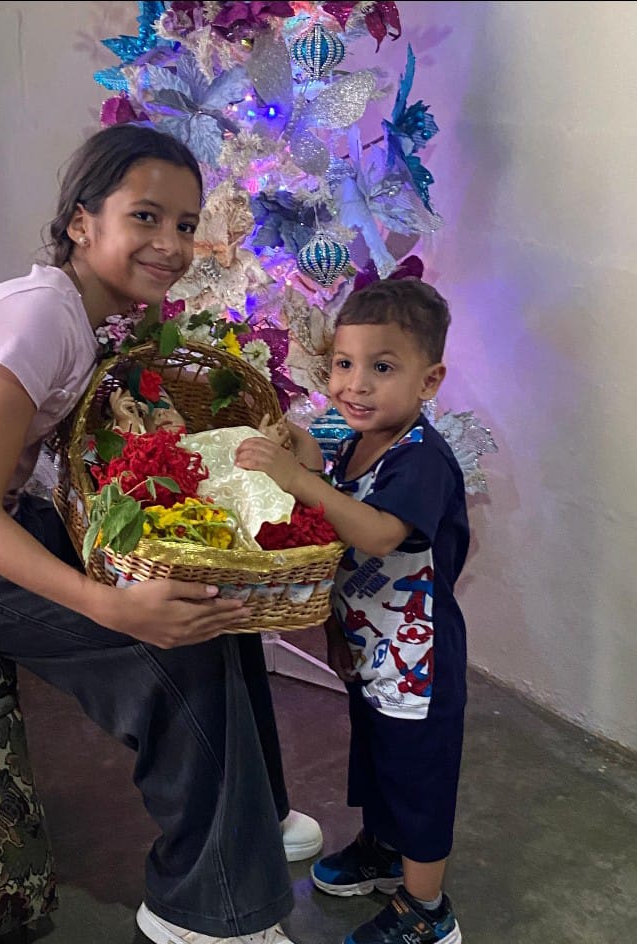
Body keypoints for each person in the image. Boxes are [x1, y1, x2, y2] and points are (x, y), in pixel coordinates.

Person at [0, 123, 322, 944]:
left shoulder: (82, 316)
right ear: (81, 221)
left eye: (185, 223)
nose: (170, 243)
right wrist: (108, 605)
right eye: (145, 216)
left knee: (207, 591)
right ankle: (201, 911)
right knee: (171, 640)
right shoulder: (39, 317)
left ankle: (251, 823)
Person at [236, 278, 469, 944]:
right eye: (343, 364)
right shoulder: (355, 446)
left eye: (382, 368)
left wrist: (296, 478)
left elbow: (378, 533)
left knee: (417, 777)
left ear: (429, 381)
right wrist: (302, 452)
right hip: (369, 650)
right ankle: (383, 848)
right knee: (377, 759)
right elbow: (335, 517)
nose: (355, 385)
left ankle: (427, 910)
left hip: (418, 662)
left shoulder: (421, 459)